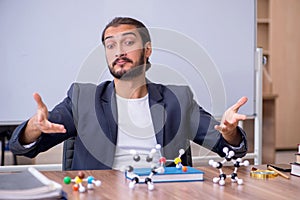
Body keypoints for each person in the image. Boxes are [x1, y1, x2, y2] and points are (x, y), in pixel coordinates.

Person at [9, 17, 248, 170]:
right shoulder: (84, 99)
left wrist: (229, 132)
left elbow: (229, 148)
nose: (118, 51)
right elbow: (24, 146)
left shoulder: (177, 100)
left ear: (147, 50)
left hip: (163, 192)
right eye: (111, 45)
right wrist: (34, 126)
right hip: (100, 193)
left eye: (128, 42)